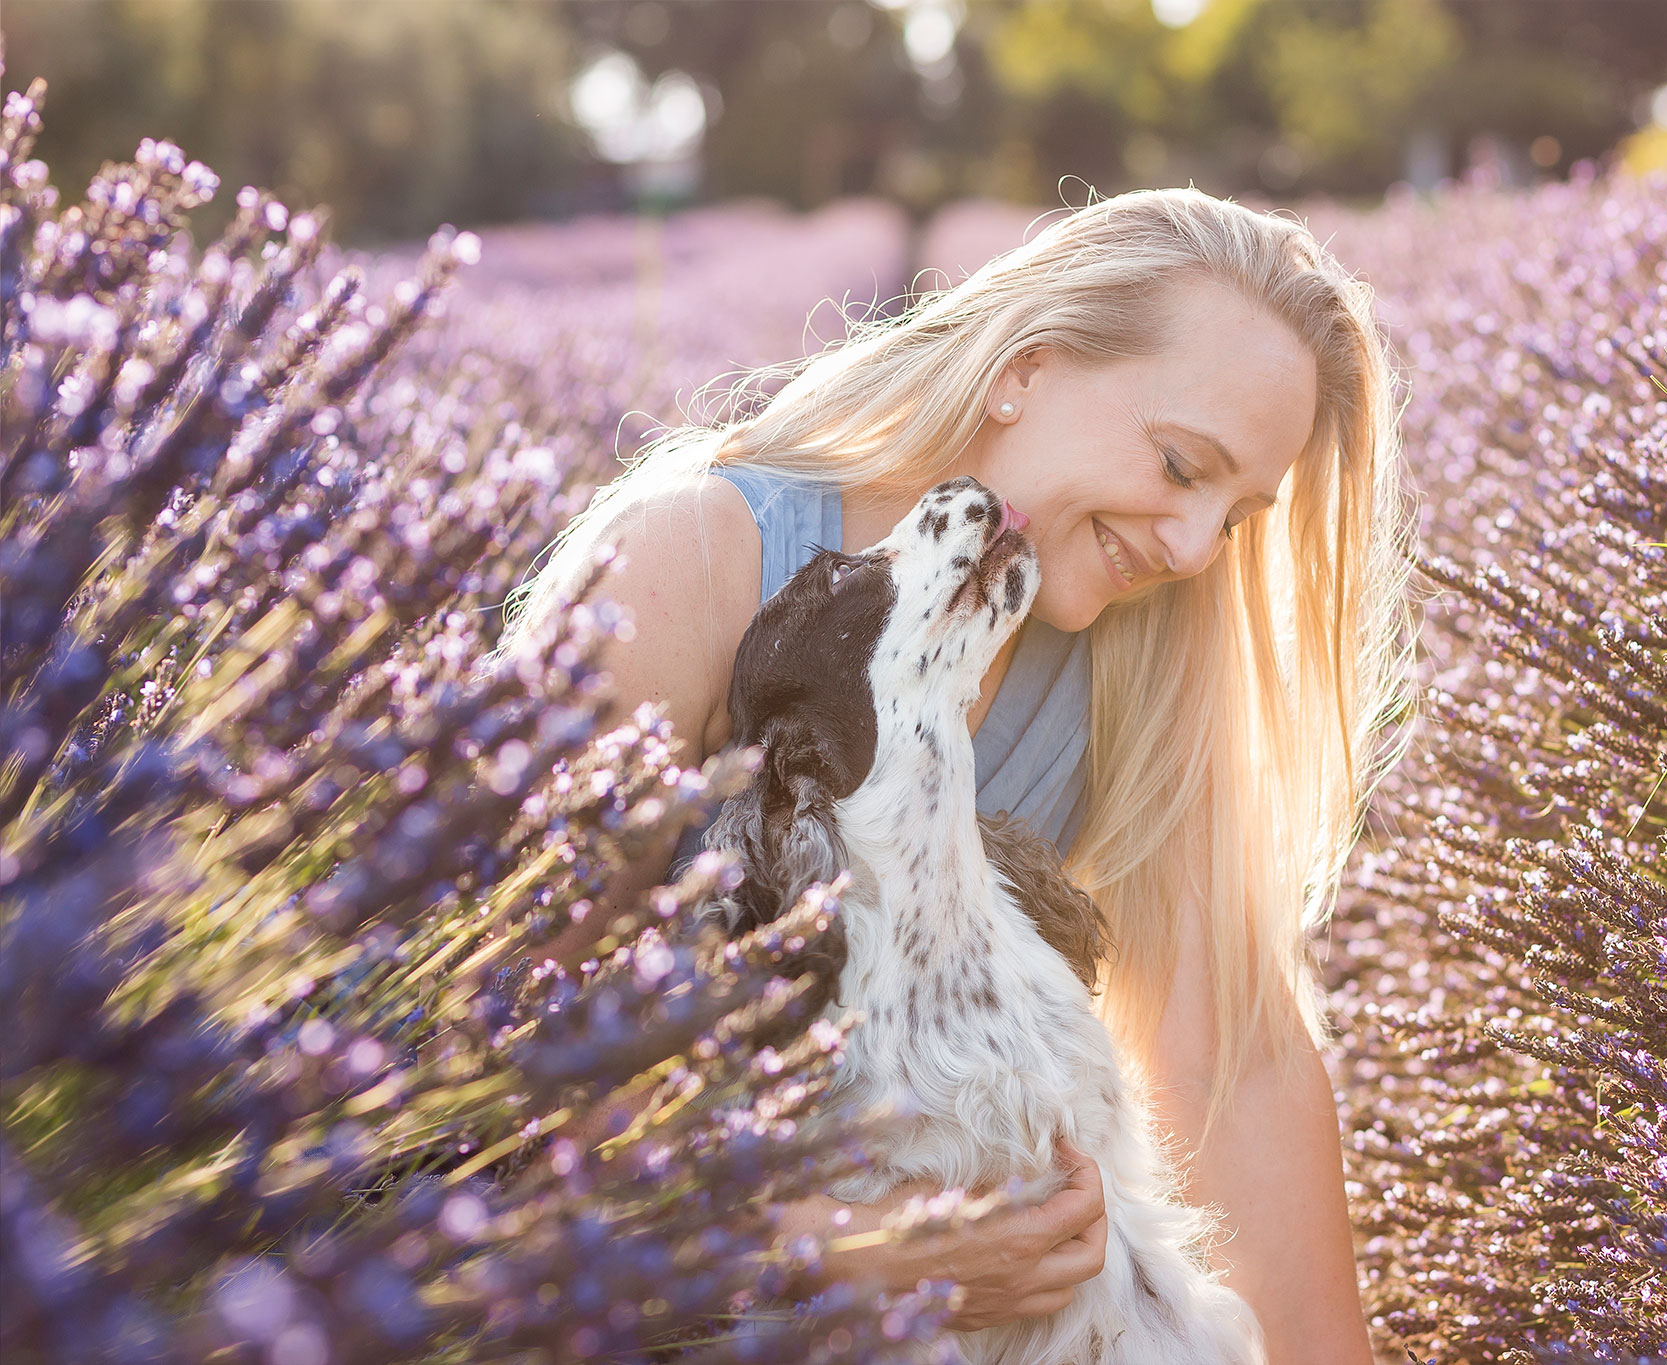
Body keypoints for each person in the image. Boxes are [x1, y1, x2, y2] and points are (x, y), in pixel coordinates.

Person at [492, 187, 1412, 1365]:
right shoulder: (688, 566)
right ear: (1023, 368)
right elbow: (490, 1060)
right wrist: (838, 1254)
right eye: (1180, 465)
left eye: (1233, 518)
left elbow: (1233, 1061)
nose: (1188, 549)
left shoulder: (1132, 653)